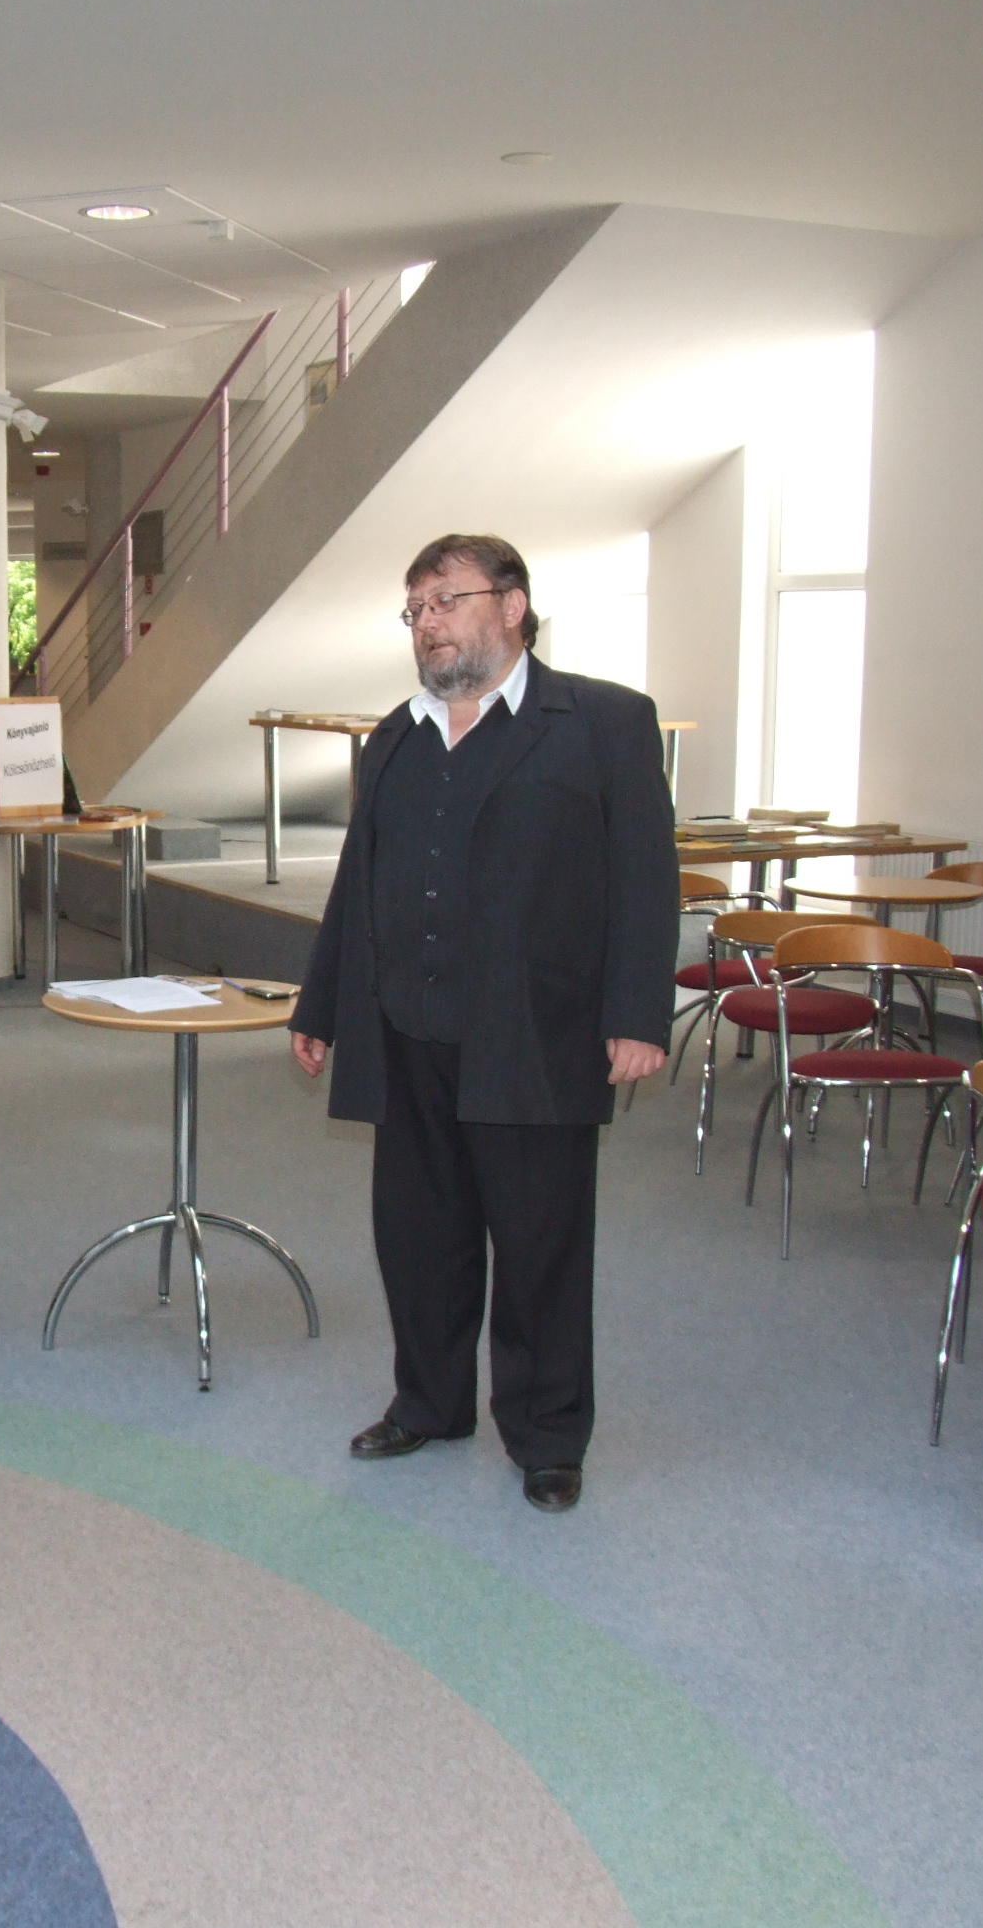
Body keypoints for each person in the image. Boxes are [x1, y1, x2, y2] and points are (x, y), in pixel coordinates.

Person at [290, 533, 678, 1512]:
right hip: (408, 1031)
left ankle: (547, 1435)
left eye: (447, 602)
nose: (428, 625)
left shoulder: (602, 722)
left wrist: (637, 1013)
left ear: (511, 606)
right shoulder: (396, 736)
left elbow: (645, 878)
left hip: (536, 1033)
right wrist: (322, 1002)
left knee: (540, 1244)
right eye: (415, 609)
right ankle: (429, 1402)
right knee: (419, 1236)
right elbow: (359, 880)